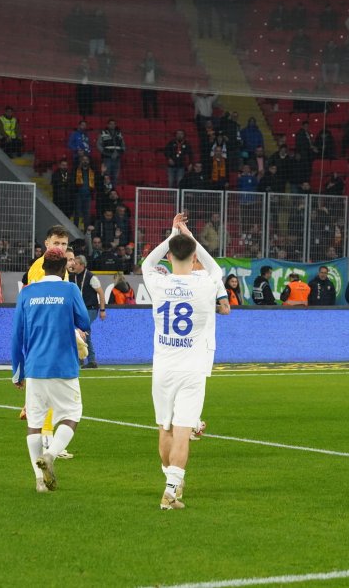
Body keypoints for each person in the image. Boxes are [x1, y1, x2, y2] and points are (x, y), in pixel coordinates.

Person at [142, 213, 228, 510]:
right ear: (194, 256)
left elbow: (147, 263)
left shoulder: (157, 282)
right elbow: (216, 266)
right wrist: (188, 234)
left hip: (163, 369)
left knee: (165, 429)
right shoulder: (205, 283)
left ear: (169, 255)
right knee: (182, 431)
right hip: (192, 369)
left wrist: (172, 235)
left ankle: (172, 484)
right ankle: (170, 490)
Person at [11, 247, 90, 494]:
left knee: (34, 423)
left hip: (35, 367)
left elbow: (17, 335)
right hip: (64, 365)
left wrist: (17, 371)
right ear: (63, 268)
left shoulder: (27, 293)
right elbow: (85, 322)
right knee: (72, 414)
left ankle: (39, 480)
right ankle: (52, 455)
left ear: (43, 266)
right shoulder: (70, 289)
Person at [69, 255, 105, 369]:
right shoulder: (71, 277)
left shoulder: (91, 277)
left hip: (90, 309)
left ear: (82, 265)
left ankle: (90, 360)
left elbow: (101, 293)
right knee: (81, 333)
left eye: (76, 263)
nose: (73, 264)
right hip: (78, 310)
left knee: (84, 332)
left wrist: (102, 309)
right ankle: (82, 359)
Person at [97, 119, 126, 188]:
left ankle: (113, 192)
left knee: (115, 177)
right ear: (108, 125)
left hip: (117, 159)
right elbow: (98, 145)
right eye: (111, 124)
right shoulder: (103, 133)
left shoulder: (119, 133)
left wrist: (119, 153)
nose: (112, 125)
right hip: (107, 158)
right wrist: (105, 152)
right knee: (106, 176)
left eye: (114, 124)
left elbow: (123, 146)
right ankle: (106, 192)